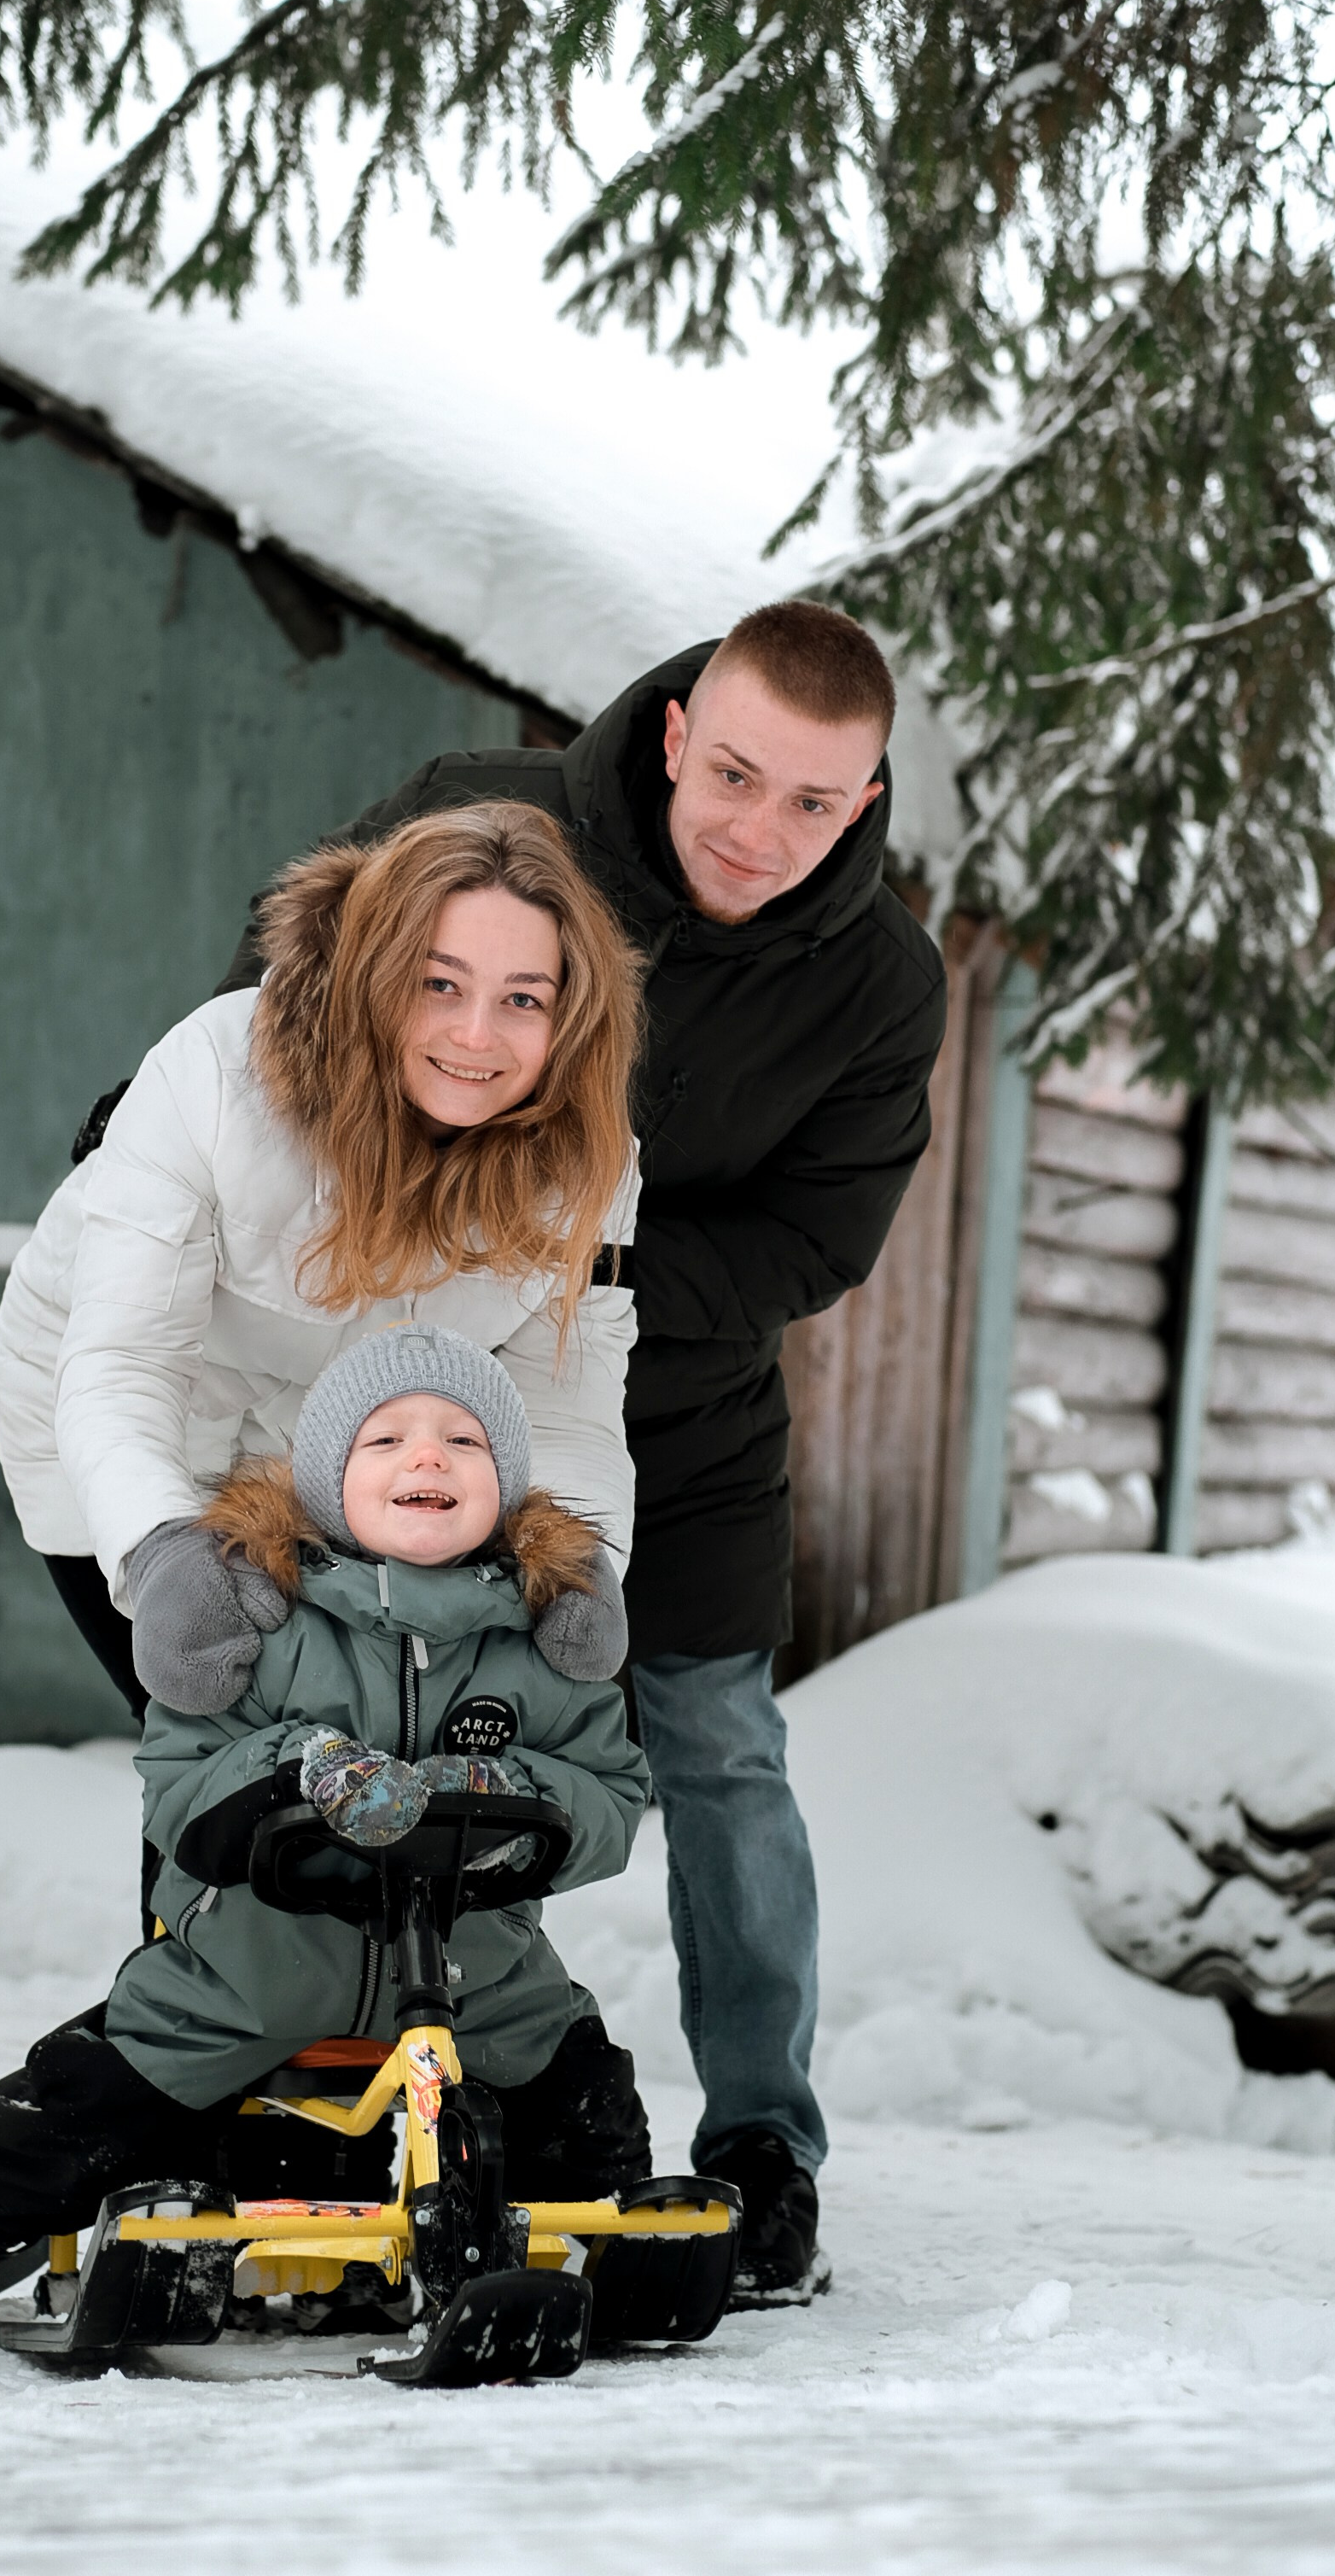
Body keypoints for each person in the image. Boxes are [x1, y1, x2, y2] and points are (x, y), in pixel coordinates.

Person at [214, 600, 949, 2306]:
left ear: (862, 801)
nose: (755, 831)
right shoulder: (480, 816)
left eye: (809, 804)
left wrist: (588, 1273)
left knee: (716, 1751)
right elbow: (268, 1018)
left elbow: (813, 1242)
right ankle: (268, 2089)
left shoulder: (877, 982)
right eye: (737, 774)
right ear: (682, 727)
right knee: (317, 1711)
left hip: (678, 1419)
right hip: (396, 1392)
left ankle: (765, 2145)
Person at [0, 1326, 653, 2343]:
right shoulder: (259, 1615)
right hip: (241, 1981)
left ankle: (615, 2258)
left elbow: (611, 1791)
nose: (428, 1458)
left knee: (591, 2106)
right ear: (327, 1480)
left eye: (464, 1441)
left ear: (504, 1480)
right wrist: (300, 1770)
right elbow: (179, 1786)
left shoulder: (540, 1637)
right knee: (72, 2115)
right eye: (387, 1442)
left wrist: (507, 1794)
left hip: (479, 1985)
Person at [0, 801, 644, 1751]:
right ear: (378, 974)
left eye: (522, 999)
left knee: (365, 1756)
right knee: (211, 1742)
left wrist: (581, 1566)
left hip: (350, 1466)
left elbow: (567, 1394)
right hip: (127, 1420)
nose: (475, 1035)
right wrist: (161, 1548)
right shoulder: (214, 1076)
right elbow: (125, 1364)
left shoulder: (591, 1158)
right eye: (438, 983)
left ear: (570, 1014)